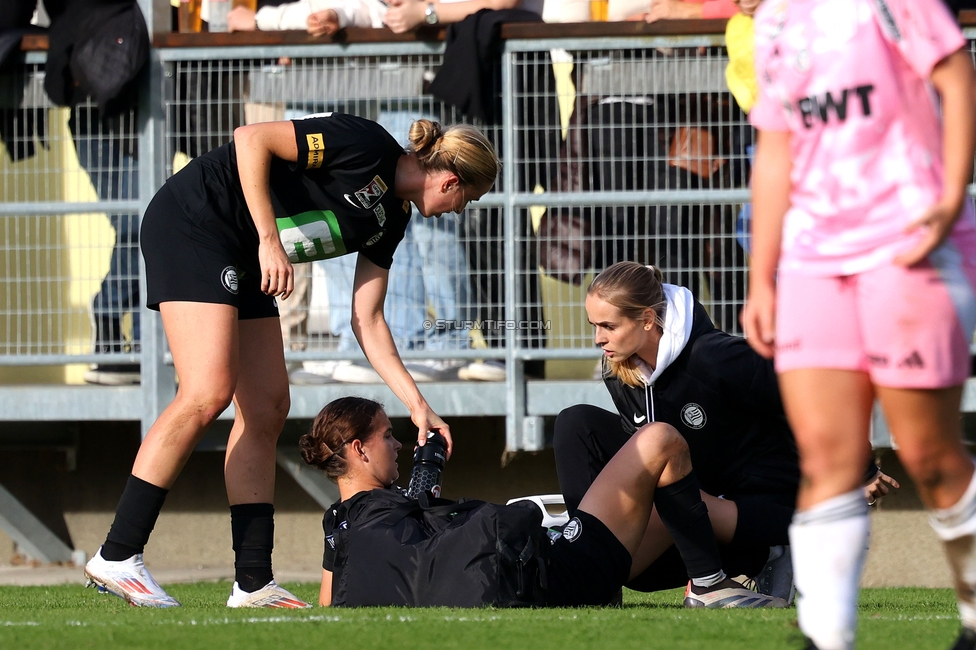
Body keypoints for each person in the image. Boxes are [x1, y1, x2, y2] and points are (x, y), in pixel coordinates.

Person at [82, 113, 499, 608]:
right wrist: (268, 239)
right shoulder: (365, 144)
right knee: (206, 391)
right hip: (196, 219)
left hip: (246, 250)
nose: (458, 210)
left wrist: (417, 404)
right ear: (450, 180)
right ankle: (118, 555)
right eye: (466, 200)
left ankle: (253, 582)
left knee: (267, 406)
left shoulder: (394, 217)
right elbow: (250, 139)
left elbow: (367, 321)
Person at [741, 1, 976, 648]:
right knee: (825, 459)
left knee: (930, 455)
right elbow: (776, 148)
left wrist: (952, 194)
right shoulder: (773, 21)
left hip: (911, 246)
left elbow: (957, 76)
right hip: (813, 261)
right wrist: (762, 277)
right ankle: (826, 638)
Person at [554, 262, 896, 606]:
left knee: (665, 493)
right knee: (577, 424)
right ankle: (588, 557)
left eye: (608, 326)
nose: (598, 338)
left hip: (768, 505)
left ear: (645, 319)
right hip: (698, 506)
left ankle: (759, 561)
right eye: (594, 326)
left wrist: (860, 470)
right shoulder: (619, 373)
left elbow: (815, 394)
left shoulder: (716, 357)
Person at [300, 396, 784, 607]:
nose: (398, 444)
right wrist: (431, 455)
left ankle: (750, 557)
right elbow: (421, 494)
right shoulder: (398, 508)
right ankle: (726, 574)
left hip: (540, 576)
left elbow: (330, 601)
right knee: (657, 441)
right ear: (359, 450)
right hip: (561, 570)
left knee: (647, 511)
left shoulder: (339, 522)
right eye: (388, 436)